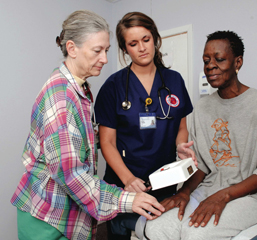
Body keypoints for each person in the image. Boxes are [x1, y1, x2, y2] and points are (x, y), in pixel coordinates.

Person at [10, 10, 165, 240]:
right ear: (72, 48)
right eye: (97, 51)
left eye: (106, 50)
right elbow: (71, 175)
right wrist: (127, 200)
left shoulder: (80, 89)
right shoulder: (61, 98)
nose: (104, 58)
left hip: (68, 214)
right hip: (47, 218)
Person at [140, 30, 257, 240]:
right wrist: (184, 192)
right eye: (206, 60)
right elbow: (201, 164)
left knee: (196, 234)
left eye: (219, 59)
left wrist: (224, 195)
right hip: (211, 187)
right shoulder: (202, 107)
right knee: (156, 228)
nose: (210, 66)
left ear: (238, 62)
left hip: (255, 195)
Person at [94, 12, 195, 239]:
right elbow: (107, 142)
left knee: (158, 234)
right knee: (123, 233)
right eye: (133, 43)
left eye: (146, 39)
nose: (141, 48)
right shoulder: (113, 87)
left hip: (164, 182)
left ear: (155, 39)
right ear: (125, 49)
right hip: (125, 185)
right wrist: (128, 179)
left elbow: (180, 127)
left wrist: (180, 146)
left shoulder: (174, 80)